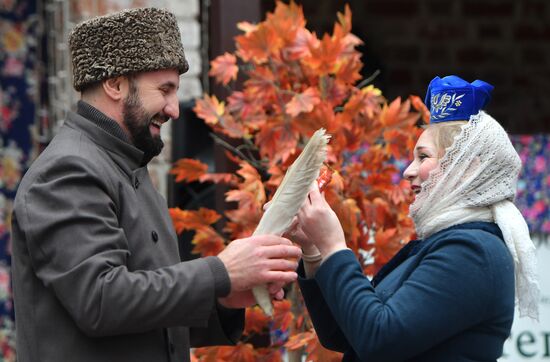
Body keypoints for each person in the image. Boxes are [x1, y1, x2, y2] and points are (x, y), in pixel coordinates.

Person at [10, 8, 301, 362]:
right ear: (115, 84)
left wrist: (223, 297)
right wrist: (220, 272)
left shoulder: (124, 165)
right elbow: (101, 301)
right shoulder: (67, 171)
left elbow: (149, 315)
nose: (175, 109)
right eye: (164, 90)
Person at [290, 75, 539, 361]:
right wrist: (314, 251)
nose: (408, 171)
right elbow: (343, 334)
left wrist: (334, 246)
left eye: (423, 157)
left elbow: (379, 339)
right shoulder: (447, 243)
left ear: (468, 168)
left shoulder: (472, 251)